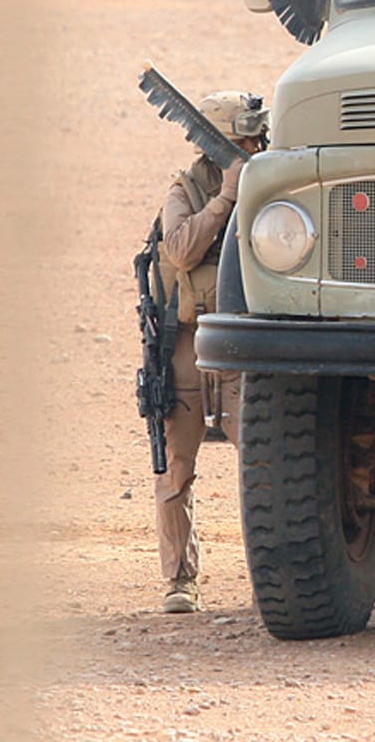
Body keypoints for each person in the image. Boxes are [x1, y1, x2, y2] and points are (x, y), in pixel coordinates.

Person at [155, 90, 268, 612]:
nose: (254, 144)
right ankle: (180, 580)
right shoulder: (186, 189)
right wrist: (225, 199)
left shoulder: (270, 178)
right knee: (177, 465)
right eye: (243, 137)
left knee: (265, 462)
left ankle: (273, 576)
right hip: (186, 345)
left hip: (245, 343)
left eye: (256, 135)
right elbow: (178, 250)